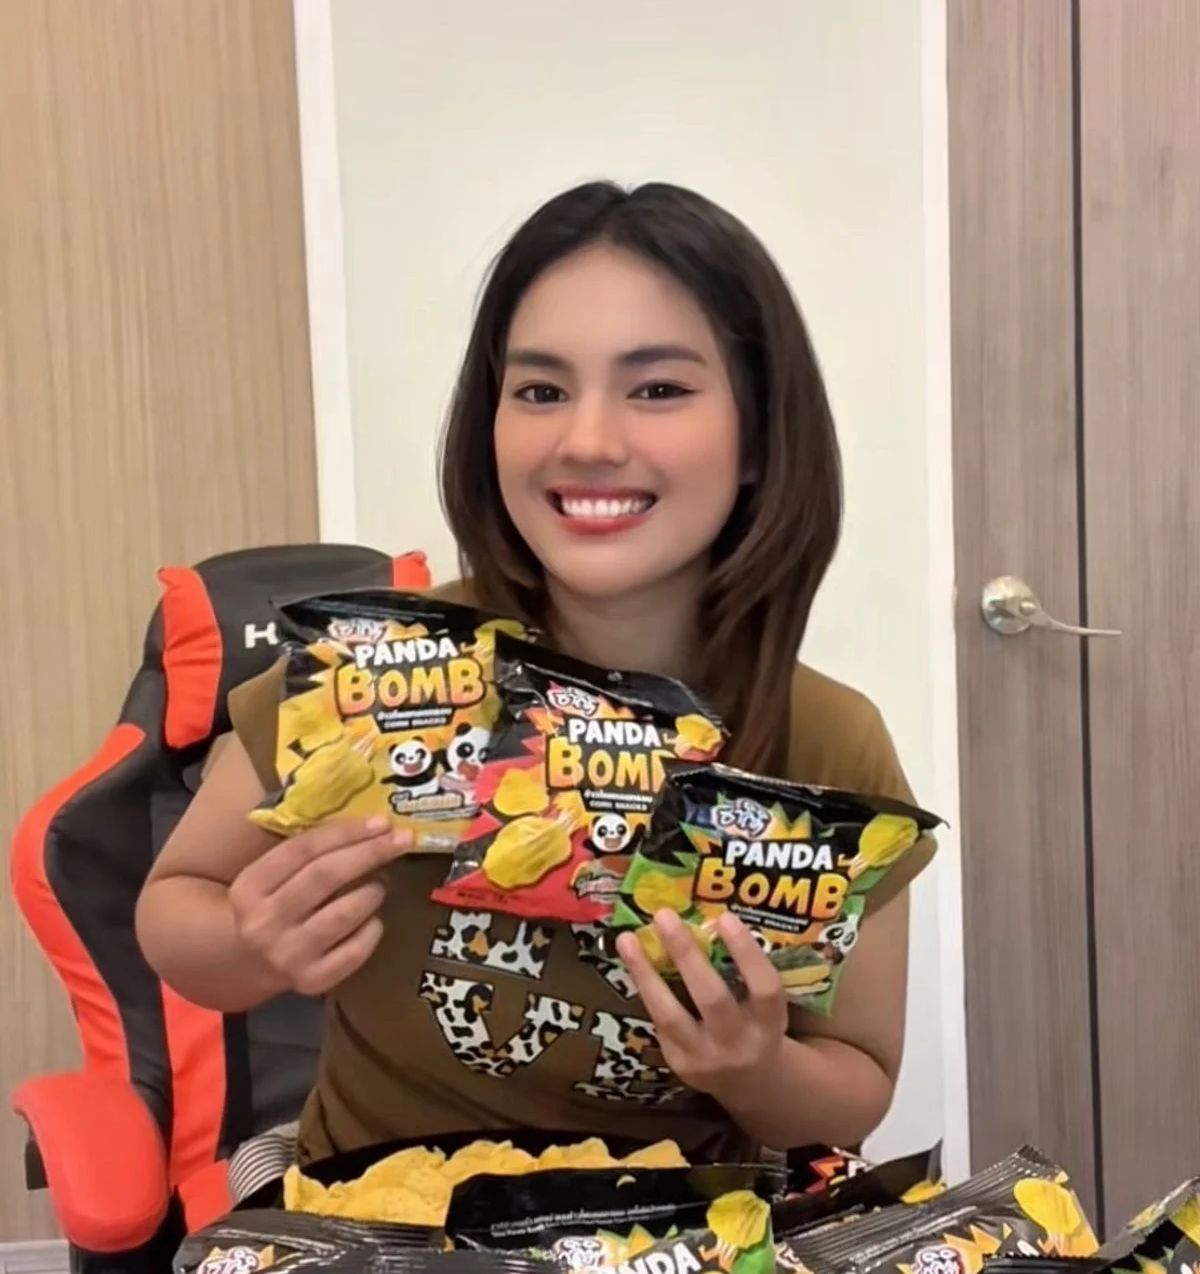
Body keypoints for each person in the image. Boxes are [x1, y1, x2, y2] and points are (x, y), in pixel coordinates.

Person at [136, 180, 934, 1165]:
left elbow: (852, 1091)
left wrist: (755, 1070)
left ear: (760, 439)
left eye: (658, 389)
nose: (588, 442)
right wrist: (247, 945)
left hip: (685, 1234)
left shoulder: (826, 740)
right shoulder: (375, 675)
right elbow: (175, 905)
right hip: (372, 1216)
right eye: (541, 391)